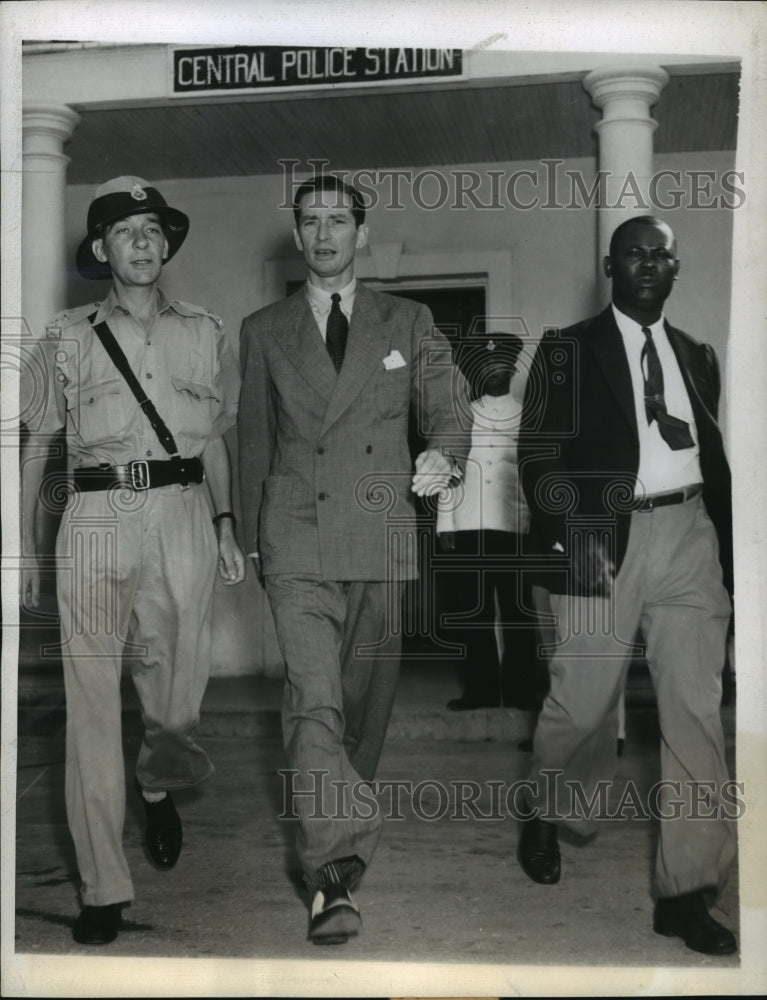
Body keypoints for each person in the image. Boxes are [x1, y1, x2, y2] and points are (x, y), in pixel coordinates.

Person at [238, 174, 469, 945]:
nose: (325, 232)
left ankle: (341, 806)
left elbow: (447, 405)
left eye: (339, 219)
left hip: (378, 531)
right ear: (297, 236)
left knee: (362, 710)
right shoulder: (264, 328)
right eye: (310, 220)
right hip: (297, 532)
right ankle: (330, 875)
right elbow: (254, 440)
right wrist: (247, 539)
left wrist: (443, 452)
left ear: (361, 234)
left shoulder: (409, 317)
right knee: (313, 701)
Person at [20, 176, 246, 946]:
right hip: (92, 520)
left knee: (176, 702)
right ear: (100, 250)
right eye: (126, 231)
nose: (144, 242)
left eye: (154, 229)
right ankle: (101, 887)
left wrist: (223, 523)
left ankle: (158, 777)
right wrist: (21, 548)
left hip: (182, 516)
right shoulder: (64, 337)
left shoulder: (205, 329)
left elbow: (214, 438)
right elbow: (38, 446)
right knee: (88, 713)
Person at [516, 216, 737, 956]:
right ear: (610, 267)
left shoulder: (696, 355)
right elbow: (540, 452)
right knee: (579, 703)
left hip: (689, 535)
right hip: (595, 534)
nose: (646, 264)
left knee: (695, 716)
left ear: (675, 269)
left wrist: (731, 559)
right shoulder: (567, 349)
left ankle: (685, 892)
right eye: (632, 254)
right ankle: (546, 806)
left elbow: (713, 453)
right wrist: (563, 532)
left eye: (660, 255)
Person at [436, 332, 547, 712]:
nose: (495, 373)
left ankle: (521, 691)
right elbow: (449, 470)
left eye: (501, 366)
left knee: (518, 611)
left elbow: (534, 475)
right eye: (487, 367)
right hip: (468, 525)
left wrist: (536, 526)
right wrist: (445, 524)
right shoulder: (459, 412)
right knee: (472, 609)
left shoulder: (528, 414)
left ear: (513, 370)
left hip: (513, 526)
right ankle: (480, 691)